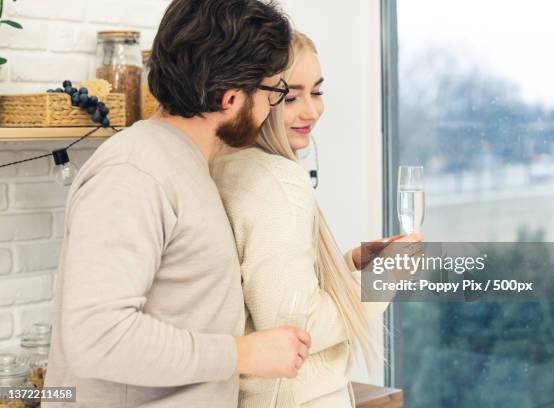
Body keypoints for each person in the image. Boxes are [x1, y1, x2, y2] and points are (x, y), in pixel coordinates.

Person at [43, 1, 312, 407]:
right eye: (275, 91)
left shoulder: (181, 163)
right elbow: (98, 336)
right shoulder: (135, 172)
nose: (274, 108)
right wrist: (242, 353)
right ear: (231, 98)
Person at [210, 31, 421, 407]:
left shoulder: (227, 166)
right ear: (257, 97)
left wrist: (348, 267)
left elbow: (266, 299)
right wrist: (384, 277)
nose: (312, 111)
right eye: (291, 97)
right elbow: (296, 328)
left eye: (317, 92)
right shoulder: (276, 180)